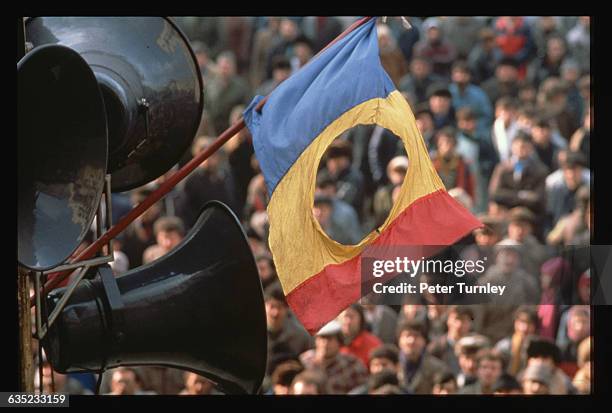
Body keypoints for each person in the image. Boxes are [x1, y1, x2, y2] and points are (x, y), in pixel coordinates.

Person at [489, 131, 549, 216]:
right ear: (512, 146)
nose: (521, 148)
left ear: (531, 148)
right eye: (517, 145)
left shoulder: (540, 170)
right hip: (504, 212)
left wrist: (510, 197)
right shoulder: (503, 168)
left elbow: (537, 198)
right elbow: (495, 193)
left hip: (529, 215)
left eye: (525, 146)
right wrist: (521, 195)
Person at [299, 320, 368, 394]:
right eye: (321, 338)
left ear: (339, 341)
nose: (325, 344)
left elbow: (363, 389)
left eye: (329, 339)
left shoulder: (352, 365)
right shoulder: (304, 362)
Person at [396, 320, 447, 394]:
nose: (411, 341)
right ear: (399, 340)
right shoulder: (391, 364)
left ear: (424, 341)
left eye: (416, 336)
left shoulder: (438, 368)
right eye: (407, 335)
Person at [427, 306, 475, 375]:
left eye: (464, 320)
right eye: (456, 319)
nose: (459, 325)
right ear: (448, 320)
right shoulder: (436, 348)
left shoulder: (477, 347)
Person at [495, 306, 539, 376]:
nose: (525, 328)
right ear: (516, 323)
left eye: (529, 323)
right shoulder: (504, 346)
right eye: (522, 322)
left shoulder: (537, 347)